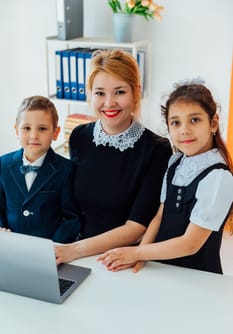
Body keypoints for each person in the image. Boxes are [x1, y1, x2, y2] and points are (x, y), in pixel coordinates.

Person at [98, 81, 233, 274]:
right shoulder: (175, 163)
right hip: (163, 268)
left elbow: (190, 244)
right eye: (175, 122)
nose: (184, 130)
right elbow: (160, 216)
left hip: (198, 277)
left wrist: (137, 253)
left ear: (213, 123)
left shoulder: (219, 178)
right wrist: (139, 254)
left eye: (194, 120)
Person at [55, 49, 172, 263]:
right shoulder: (79, 136)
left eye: (119, 92)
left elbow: (136, 228)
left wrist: (75, 250)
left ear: (136, 92)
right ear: (89, 94)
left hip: (121, 260)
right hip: (75, 253)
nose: (109, 103)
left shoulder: (157, 149)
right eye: (100, 93)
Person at [0, 96, 81, 243]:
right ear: (16, 130)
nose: (33, 136)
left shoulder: (66, 169)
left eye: (42, 129)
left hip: (50, 251)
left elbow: (72, 218)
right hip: (10, 247)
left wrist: (54, 246)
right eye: (26, 128)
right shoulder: (3, 165)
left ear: (55, 133)